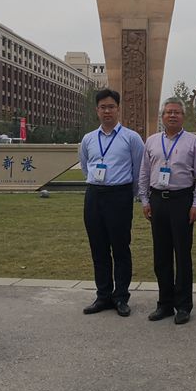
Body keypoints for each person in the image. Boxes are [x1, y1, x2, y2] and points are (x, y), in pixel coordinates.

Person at [138, 98, 196, 325]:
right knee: (161, 255)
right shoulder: (151, 141)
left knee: (183, 255)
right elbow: (144, 173)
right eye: (168, 112)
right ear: (162, 116)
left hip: (182, 201)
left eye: (177, 112)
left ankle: (184, 306)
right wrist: (145, 200)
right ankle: (165, 304)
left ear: (183, 116)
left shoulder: (193, 142)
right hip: (158, 201)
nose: (172, 115)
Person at [79, 89, 144, 317]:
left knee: (120, 248)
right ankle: (103, 295)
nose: (107, 111)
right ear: (97, 110)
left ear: (118, 109)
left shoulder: (131, 138)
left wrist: (130, 194)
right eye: (103, 107)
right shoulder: (88, 139)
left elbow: (138, 169)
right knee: (98, 248)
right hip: (94, 196)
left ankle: (121, 297)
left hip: (120, 196)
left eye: (111, 107)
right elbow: (85, 166)